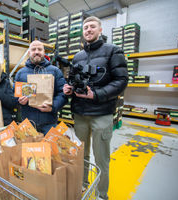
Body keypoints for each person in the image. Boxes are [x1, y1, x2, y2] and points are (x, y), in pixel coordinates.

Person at [63, 16, 128, 200]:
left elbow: (121, 81)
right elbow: (73, 80)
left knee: (101, 159)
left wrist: (97, 94)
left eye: (92, 26)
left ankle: (101, 194)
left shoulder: (113, 51)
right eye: (85, 27)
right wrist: (68, 89)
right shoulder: (78, 56)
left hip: (101, 114)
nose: (88, 30)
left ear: (100, 30)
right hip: (80, 114)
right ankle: (83, 186)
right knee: (81, 156)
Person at [14, 40, 67, 134]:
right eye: (33, 49)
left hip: (49, 123)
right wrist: (19, 100)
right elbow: (14, 95)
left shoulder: (55, 71)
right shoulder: (20, 73)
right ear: (29, 53)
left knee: (51, 148)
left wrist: (53, 107)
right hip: (28, 124)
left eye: (39, 49)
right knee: (29, 149)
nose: (37, 52)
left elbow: (63, 94)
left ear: (44, 52)